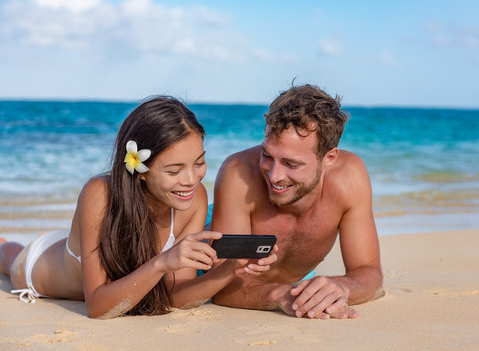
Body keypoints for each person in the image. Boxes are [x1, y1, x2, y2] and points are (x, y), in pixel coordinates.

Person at [0, 96, 276, 318]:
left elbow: (176, 297)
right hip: (41, 264)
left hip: (80, 246)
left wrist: (231, 270)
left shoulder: (193, 200)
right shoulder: (100, 193)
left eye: (199, 162)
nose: (191, 180)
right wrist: (163, 262)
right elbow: (97, 307)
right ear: (140, 170)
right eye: (174, 170)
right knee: (8, 257)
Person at [210, 84, 384, 319]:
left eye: (292, 164)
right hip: (212, 234)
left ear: (329, 158)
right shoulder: (238, 172)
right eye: (267, 155)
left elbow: (369, 273)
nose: (274, 176)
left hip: (292, 283)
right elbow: (221, 287)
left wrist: (340, 288)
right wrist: (282, 295)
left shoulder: (349, 179)